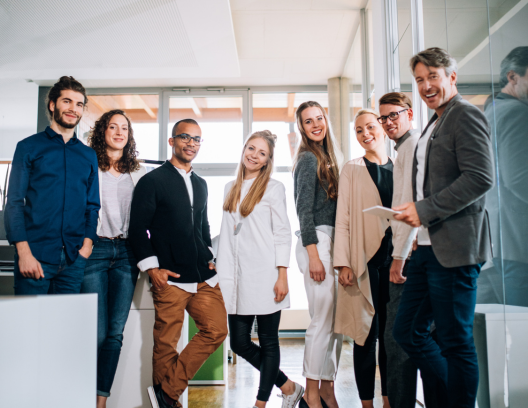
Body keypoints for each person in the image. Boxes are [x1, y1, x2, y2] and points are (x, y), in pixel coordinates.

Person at [392, 47, 494, 408]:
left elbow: (480, 178)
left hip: (455, 250)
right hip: (428, 248)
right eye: (419, 79)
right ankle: (453, 395)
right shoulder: (436, 121)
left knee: (455, 341)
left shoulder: (465, 115)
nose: (426, 85)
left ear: (451, 77)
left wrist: (424, 211)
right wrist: (418, 230)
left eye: (432, 76)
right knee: (406, 331)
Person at [128, 118, 228, 408]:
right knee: (166, 344)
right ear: (172, 141)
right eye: (185, 137)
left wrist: (210, 256)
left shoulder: (201, 183)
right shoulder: (153, 181)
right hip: (169, 277)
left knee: (217, 330)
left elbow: (203, 225)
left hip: (202, 275)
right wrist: (152, 268)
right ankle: (170, 403)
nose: (191, 143)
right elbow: (138, 229)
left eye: (196, 139)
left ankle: (167, 393)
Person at [216, 130, 304, 408]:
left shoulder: (273, 188)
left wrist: (282, 275)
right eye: (251, 148)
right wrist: (210, 254)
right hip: (235, 276)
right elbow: (228, 232)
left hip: (266, 274)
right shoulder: (230, 186)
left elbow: (282, 232)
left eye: (261, 153)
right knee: (239, 343)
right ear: (243, 149)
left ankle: (261, 402)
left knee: (268, 342)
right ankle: (289, 386)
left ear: (267, 161)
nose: (254, 155)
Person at [5, 76, 100, 295]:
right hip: (35, 257)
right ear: (52, 104)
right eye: (66, 101)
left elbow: (92, 205)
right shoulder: (28, 147)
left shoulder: (88, 155)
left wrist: (86, 247)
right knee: (30, 327)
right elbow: (14, 203)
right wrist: (24, 254)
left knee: (64, 328)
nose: (73, 109)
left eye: (78, 104)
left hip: (73, 261)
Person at [80, 109, 146, 408]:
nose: (119, 132)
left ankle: (100, 400)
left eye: (124, 128)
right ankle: (82, 395)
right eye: (113, 127)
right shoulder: (87, 165)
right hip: (94, 251)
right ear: (102, 131)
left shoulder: (139, 172)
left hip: (126, 255)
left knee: (115, 333)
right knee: (95, 333)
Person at [378, 93, 439, 408]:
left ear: (409, 113)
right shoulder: (406, 148)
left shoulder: (412, 147)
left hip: (410, 255)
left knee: (397, 336)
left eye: (394, 115)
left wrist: (399, 255)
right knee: (414, 333)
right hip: (416, 250)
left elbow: (410, 205)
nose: (388, 122)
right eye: (383, 118)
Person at [334, 109, 393, 408]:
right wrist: (343, 262)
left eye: (370, 126)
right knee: (364, 335)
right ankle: (366, 402)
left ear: (382, 128)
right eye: (359, 130)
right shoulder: (352, 169)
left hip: (396, 264)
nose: (365, 133)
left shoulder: (401, 167)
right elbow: (343, 217)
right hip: (363, 262)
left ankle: (388, 399)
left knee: (390, 337)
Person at [293, 101, 343, 408]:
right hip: (317, 243)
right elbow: (303, 209)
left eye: (319, 118)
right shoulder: (308, 159)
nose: (315, 124)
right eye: (308, 121)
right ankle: (311, 394)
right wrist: (313, 254)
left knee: (335, 324)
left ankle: (327, 389)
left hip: (332, 243)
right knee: (322, 322)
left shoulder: (328, 157)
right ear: (301, 127)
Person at [481, 47, 528, 307]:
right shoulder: (517, 113)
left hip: (494, 247)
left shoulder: (490, 113)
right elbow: (520, 178)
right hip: (516, 245)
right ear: (513, 77)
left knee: (494, 337)